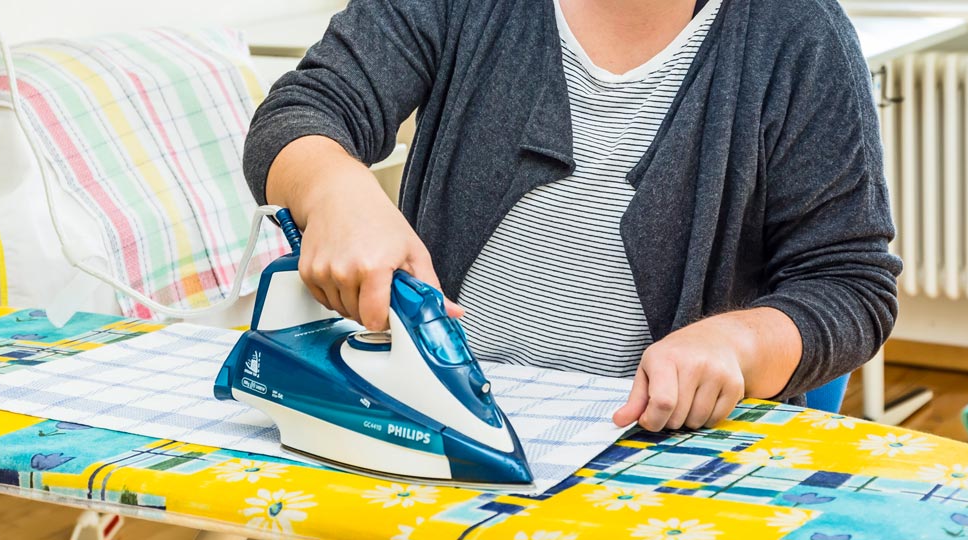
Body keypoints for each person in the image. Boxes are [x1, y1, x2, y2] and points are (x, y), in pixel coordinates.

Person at [242, 0, 901, 432]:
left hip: (662, 458)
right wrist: (337, 191)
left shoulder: (800, 35)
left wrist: (737, 342)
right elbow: (302, 111)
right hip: (436, 423)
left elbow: (850, 284)